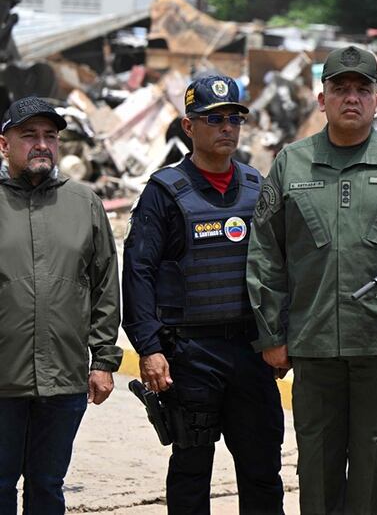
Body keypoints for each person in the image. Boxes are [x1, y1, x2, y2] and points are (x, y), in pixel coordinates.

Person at [246, 45, 377, 515]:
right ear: (322, 99)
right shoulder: (291, 163)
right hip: (312, 344)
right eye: (340, 89)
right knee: (316, 465)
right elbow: (266, 252)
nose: (351, 98)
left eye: (362, 89)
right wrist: (272, 334)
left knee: (373, 467)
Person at [122, 75, 283, 514]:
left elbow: (279, 267)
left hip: (250, 351)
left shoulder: (257, 186)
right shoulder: (164, 191)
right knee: (191, 471)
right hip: (191, 353)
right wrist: (149, 348)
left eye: (234, 118)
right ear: (189, 126)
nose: (226, 127)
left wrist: (281, 335)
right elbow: (137, 272)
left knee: (263, 471)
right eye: (214, 119)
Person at [0, 97, 122, 515]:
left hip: (64, 380)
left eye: (50, 136)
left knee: (48, 485)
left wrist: (103, 360)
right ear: (4, 144)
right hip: (2, 380)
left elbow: (105, 286)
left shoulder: (84, 203)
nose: (42, 144)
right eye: (29, 135)